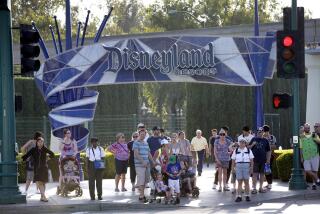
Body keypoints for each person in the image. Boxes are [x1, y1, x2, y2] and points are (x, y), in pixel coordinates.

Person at [22, 137, 55, 202]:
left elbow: (52, 154)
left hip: (44, 168)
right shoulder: (33, 149)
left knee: (43, 183)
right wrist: (23, 158)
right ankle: (44, 196)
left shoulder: (45, 149)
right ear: (37, 143)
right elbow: (26, 155)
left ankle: (42, 196)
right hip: (36, 169)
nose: (41, 143)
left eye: (42, 142)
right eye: (39, 142)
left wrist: (47, 158)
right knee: (39, 182)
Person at [133, 129, 156, 202]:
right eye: (141, 134)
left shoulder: (146, 143)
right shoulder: (136, 143)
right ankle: (141, 196)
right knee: (141, 180)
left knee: (146, 180)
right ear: (139, 134)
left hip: (147, 165)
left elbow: (149, 153)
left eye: (144, 134)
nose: (143, 136)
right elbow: (136, 154)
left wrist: (153, 162)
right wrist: (143, 162)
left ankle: (142, 195)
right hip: (139, 165)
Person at [249, 127, 271, 194]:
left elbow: (268, 151)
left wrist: (268, 160)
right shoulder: (253, 139)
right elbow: (248, 148)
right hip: (254, 160)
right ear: (257, 132)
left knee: (262, 174)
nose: (260, 132)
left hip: (263, 160)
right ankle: (254, 188)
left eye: (261, 131)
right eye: (258, 131)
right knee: (255, 174)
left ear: (263, 132)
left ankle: (261, 188)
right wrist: (253, 144)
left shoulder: (266, 140)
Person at [300, 123, 320, 190]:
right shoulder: (301, 136)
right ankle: (317, 178)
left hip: (315, 155)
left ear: (309, 128)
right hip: (306, 156)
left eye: (308, 128)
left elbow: (319, 142)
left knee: (315, 170)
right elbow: (301, 148)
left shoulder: (314, 135)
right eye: (306, 128)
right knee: (307, 170)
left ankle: (314, 184)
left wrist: (315, 139)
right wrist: (301, 157)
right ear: (304, 129)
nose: (307, 129)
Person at [263, 125, 277, 189]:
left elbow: (274, 146)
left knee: (268, 169)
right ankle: (268, 183)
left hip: (270, 155)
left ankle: (270, 184)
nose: (265, 132)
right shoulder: (262, 137)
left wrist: (268, 146)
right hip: (263, 156)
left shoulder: (272, 137)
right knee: (265, 169)